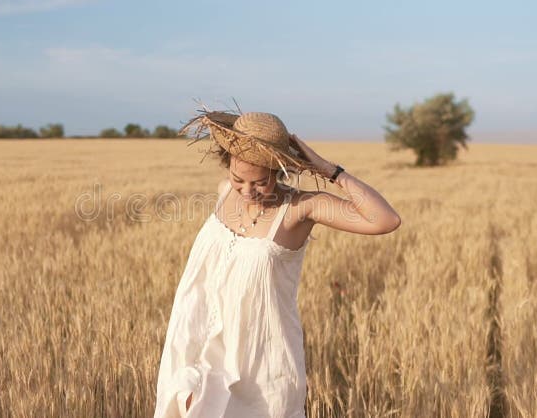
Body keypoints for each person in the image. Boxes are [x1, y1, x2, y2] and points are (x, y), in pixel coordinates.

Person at [153, 111, 401, 417]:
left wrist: (329, 170)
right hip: (202, 351)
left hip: (262, 365)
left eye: (260, 182)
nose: (246, 191)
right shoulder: (225, 192)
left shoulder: (300, 209)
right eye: (238, 178)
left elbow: (385, 220)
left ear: (278, 170)